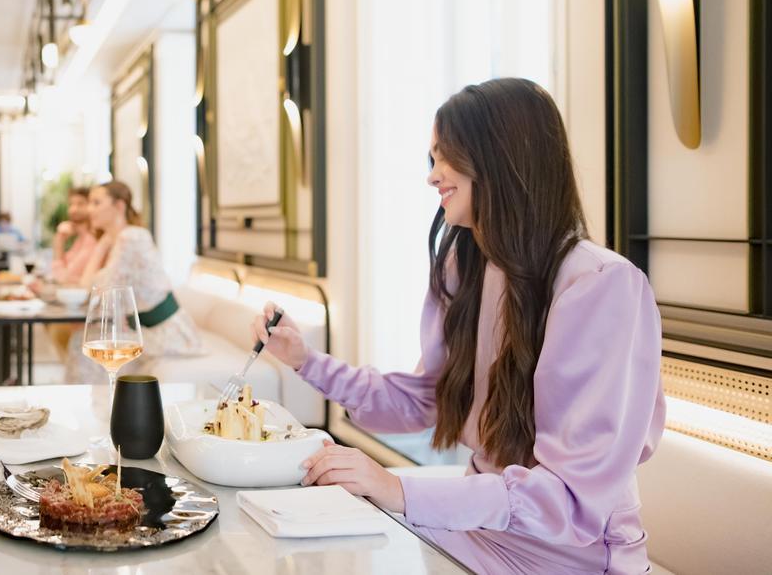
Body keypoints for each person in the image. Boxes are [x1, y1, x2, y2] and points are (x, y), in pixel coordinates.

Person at [251, 78, 664, 574]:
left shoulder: (599, 287)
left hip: (568, 557)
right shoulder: (465, 268)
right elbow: (425, 399)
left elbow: (568, 499)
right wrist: (304, 359)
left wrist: (398, 487)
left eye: (446, 157)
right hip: (471, 532)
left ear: (501, 158)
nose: (433, 176)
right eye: (433, 157)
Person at [66, 181, 202, 382]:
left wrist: (102, 245)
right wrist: (101, 245)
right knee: (82, 341)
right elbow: (88, 287)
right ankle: (97, 407)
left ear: (119, 206)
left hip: (164, 332)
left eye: (96, 203)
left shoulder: (131, 237)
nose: (89, 209)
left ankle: (96, 408)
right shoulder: (116, 239)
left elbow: (103, 295)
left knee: (81, 343)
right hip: (143, 328)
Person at [51, 187, 97, 283]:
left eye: (80, 204)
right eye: (71, 204)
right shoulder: (79, 239)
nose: (73, 209)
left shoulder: (92, 240)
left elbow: (63, 278)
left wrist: (59, 242)